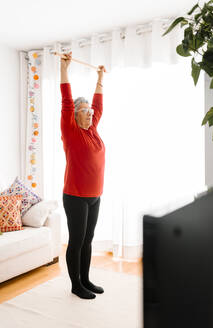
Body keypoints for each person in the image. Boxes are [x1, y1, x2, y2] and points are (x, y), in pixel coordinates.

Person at [60, 51, 106, 299]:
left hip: (95, 196)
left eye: (90, 110)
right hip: (75, 196)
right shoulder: (71, 132)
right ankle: (75, 285)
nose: (90, 113)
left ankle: (86, 280)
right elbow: (66, 100)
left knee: (88, 240)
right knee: (76, 241)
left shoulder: (93, 129)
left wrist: (100, 77)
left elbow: (98, 103)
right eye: (84, 110)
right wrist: (64, 69)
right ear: (74, 114)